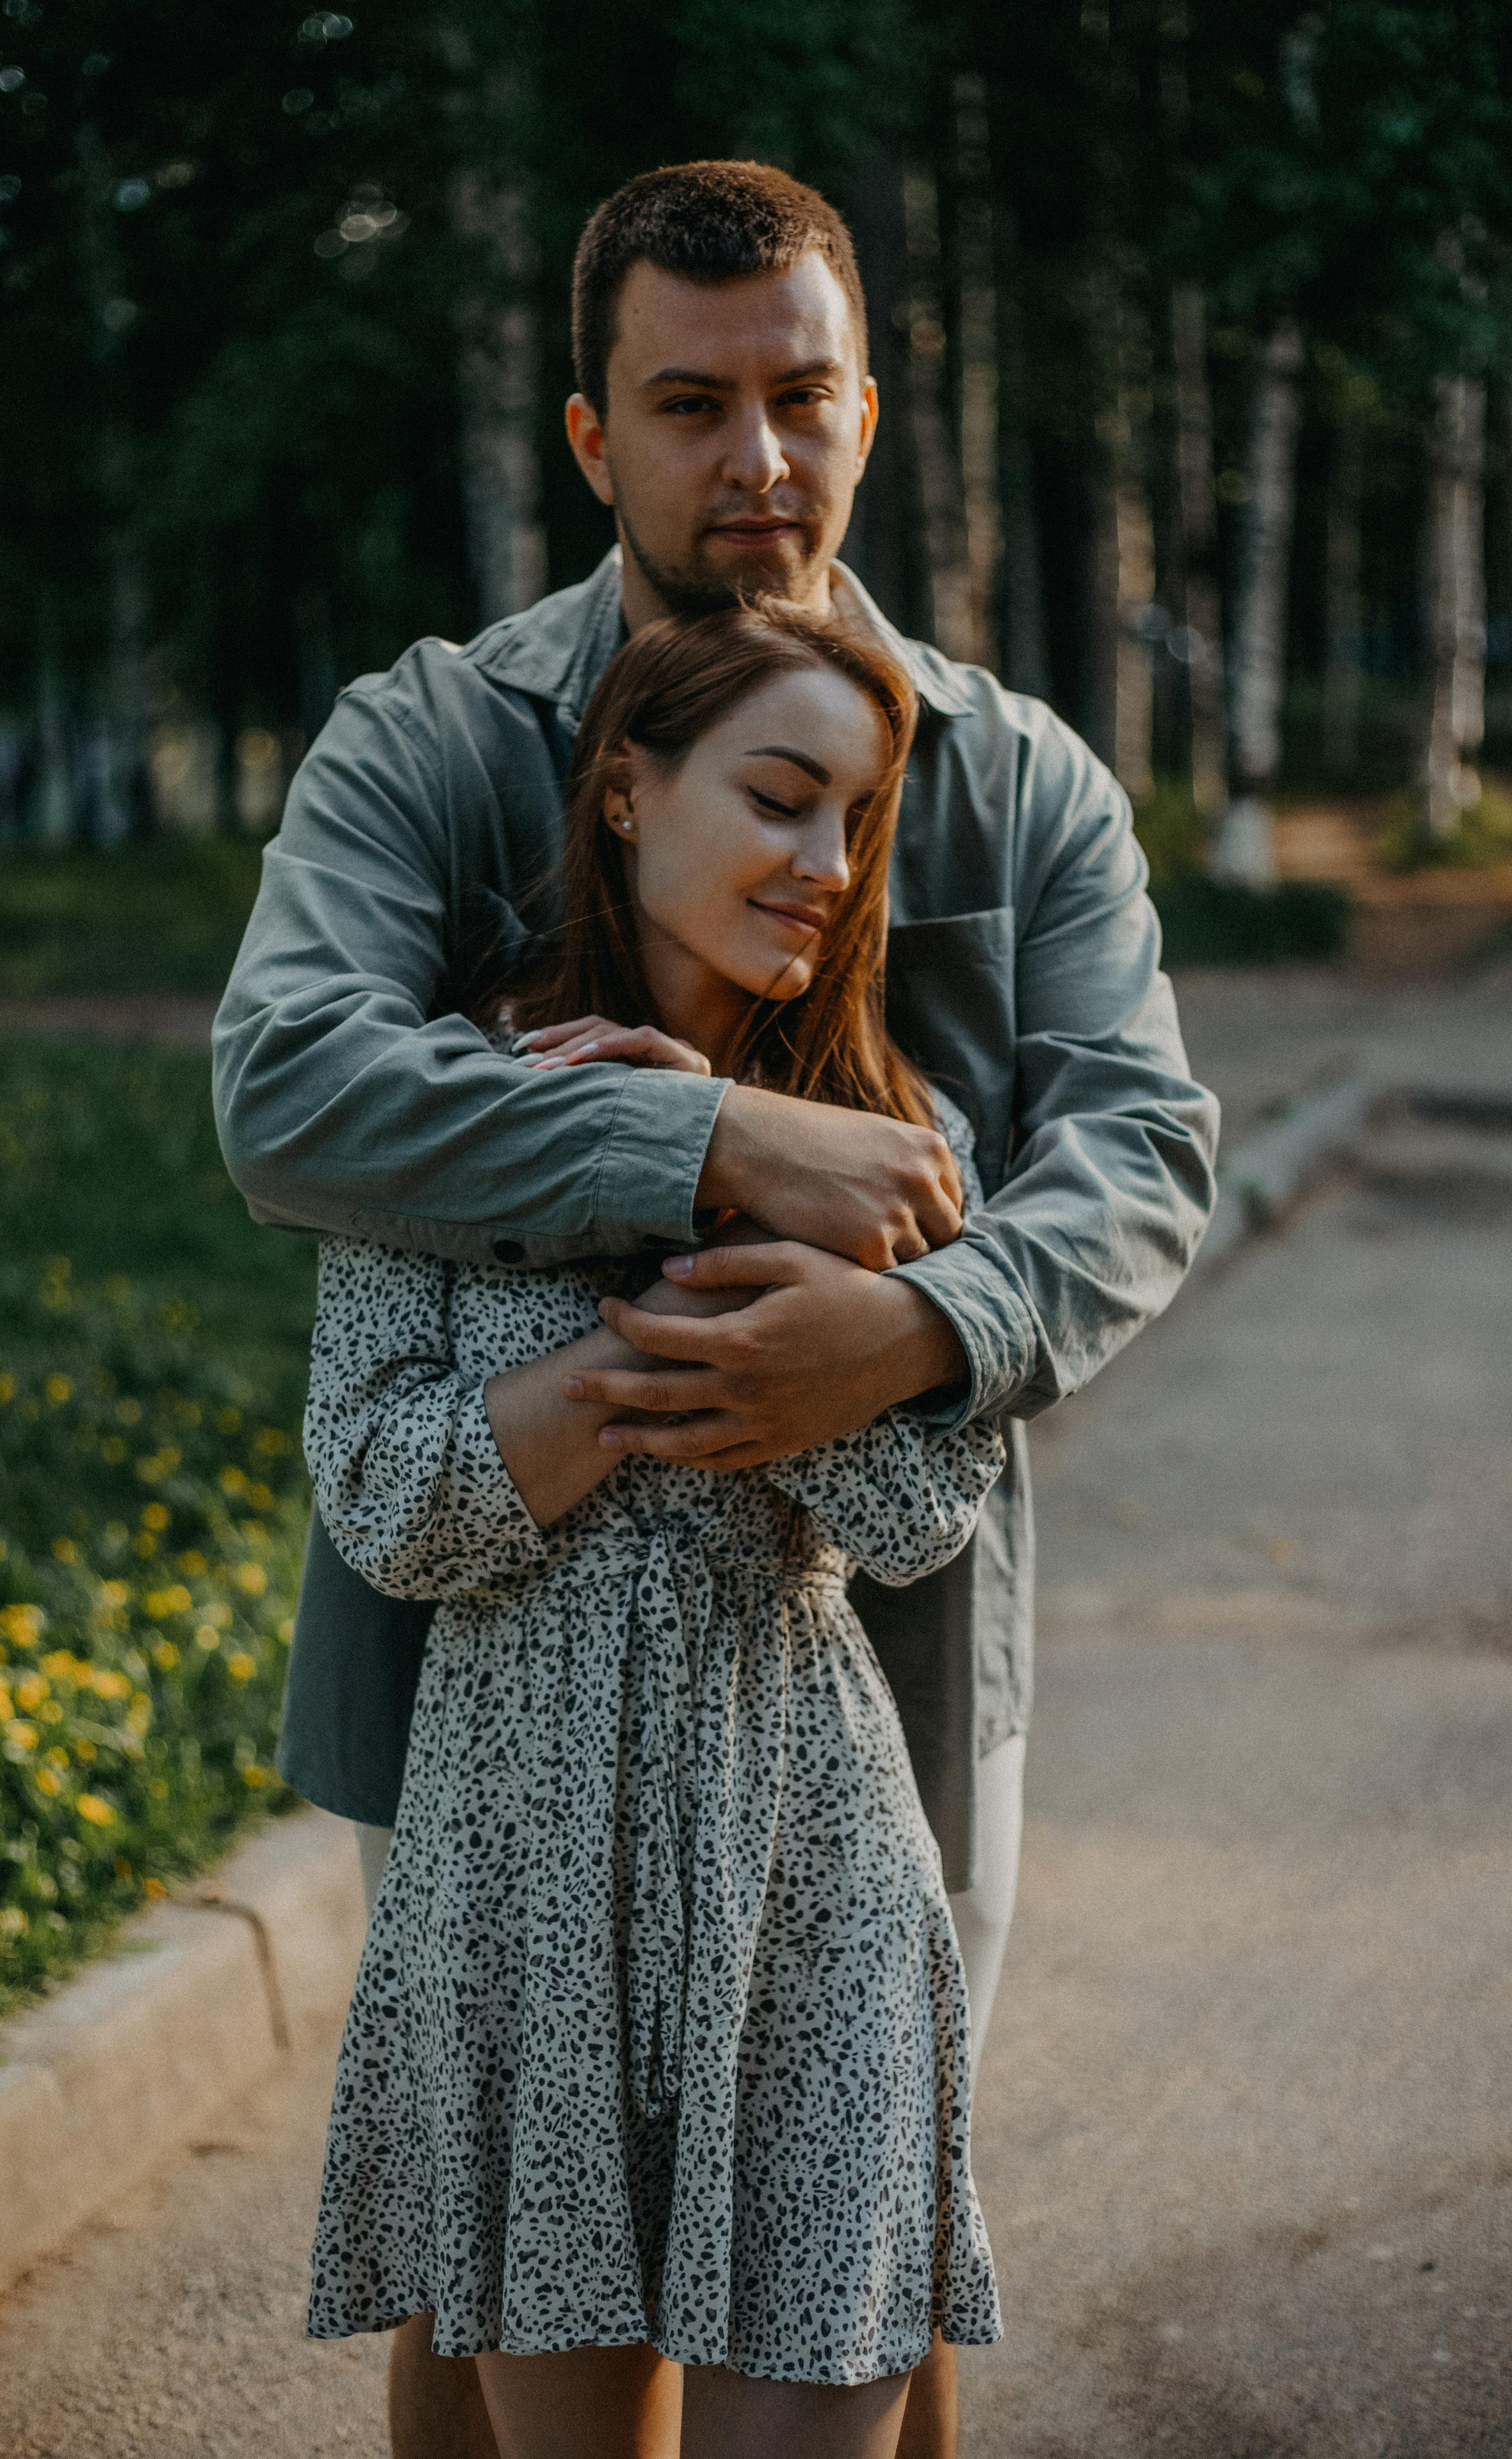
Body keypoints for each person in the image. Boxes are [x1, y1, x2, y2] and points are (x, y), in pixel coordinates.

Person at [212, 159, 1219, 2459]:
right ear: (592, 438)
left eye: (802, 398)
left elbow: (1146, 1151)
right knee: (519, 2257)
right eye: (690, 405)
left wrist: (928, 1326)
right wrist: (705, 1147)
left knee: (855, 2236)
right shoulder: (441, 740)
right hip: (493, 1662)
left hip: (884, 1644)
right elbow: (285, 1090)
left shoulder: (1017, 778)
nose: (756, 463)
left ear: (873, 408)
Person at [306, 599, 1007, 2459]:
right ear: (626, 789)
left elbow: (921, 1507)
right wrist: (670, 1338)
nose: (825, 867)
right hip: (520, 1877)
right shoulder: (449, 1104)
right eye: (782, 800)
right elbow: (385, 1501)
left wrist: (716, 1138)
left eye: (856, 824)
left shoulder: (884, 1135)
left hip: (811, 1863)